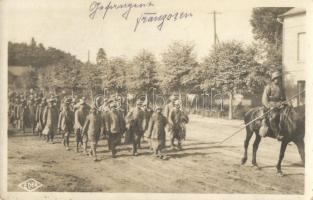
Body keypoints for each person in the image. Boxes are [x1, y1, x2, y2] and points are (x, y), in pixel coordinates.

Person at [260, 71, 286, 141]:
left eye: (279, 78)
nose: (278, 80)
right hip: (271, 105)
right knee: (273, 117)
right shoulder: (269, 87)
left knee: (287, 115)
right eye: (276, 78)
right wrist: (269, 106)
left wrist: (284, 103)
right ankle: (277, 134)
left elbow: (284, 98)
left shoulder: (281, 88)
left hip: (280, 105)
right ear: (273, 79)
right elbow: (264, 99)